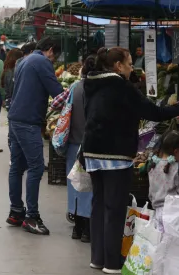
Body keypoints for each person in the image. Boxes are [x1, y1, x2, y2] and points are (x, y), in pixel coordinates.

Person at [83, 47, 179, 273]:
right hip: (115, 154)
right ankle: (112, 264)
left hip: (92, 151)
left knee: (98, 205)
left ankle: (97, 258)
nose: (131, 68)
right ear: (118, 66)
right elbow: (153, 112)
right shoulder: (121, 87)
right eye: (129, 64)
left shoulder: (92, 83)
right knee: (114, 208)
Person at [7, 37, 63, 235]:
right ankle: (31, 216)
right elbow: (57, 92)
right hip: (28, 122)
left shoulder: (24, 61)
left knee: (17, 166)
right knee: (36, 167)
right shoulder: (42, 62)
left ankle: (16, 212)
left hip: (15, 119)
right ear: (49, 50)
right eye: (54, 56)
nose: (54, 61)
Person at [51, 54, 97, 243]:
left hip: (72, 145)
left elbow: (55, 104)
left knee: (75, 185)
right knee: (89, 187)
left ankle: (77, 228)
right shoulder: (98, 90)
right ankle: (87, 229)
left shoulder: (74, 87)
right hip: (91, 145)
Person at [148, 130, 179, 233]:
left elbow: (150, 193)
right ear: (176, 151)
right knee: (173, 245)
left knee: (159, 243)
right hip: (173, 213)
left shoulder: (153, 165)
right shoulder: (176, 167)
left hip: (157, 212)